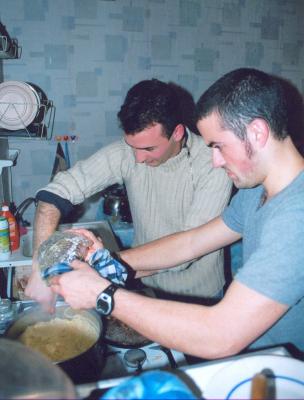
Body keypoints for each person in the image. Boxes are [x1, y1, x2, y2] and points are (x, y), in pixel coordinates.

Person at [49, 68, 304, 359]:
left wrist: (104, 294)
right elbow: (190, 243)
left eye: (219, 146)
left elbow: (220, 336)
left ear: (257, 133)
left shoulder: (296, 214)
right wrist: (106, 262)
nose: (216, 161)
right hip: (257, 362)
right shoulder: (254, 191)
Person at [25, 79, 232, 312]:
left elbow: (186, 250)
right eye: (131, 146)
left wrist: (103, 264)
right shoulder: (128, 153)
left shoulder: (213, 164)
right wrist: (40, 267)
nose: (137, 159)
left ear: (177, 132)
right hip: (144, 287)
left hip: (201, 299)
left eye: (149, 149)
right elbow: (55, 192)